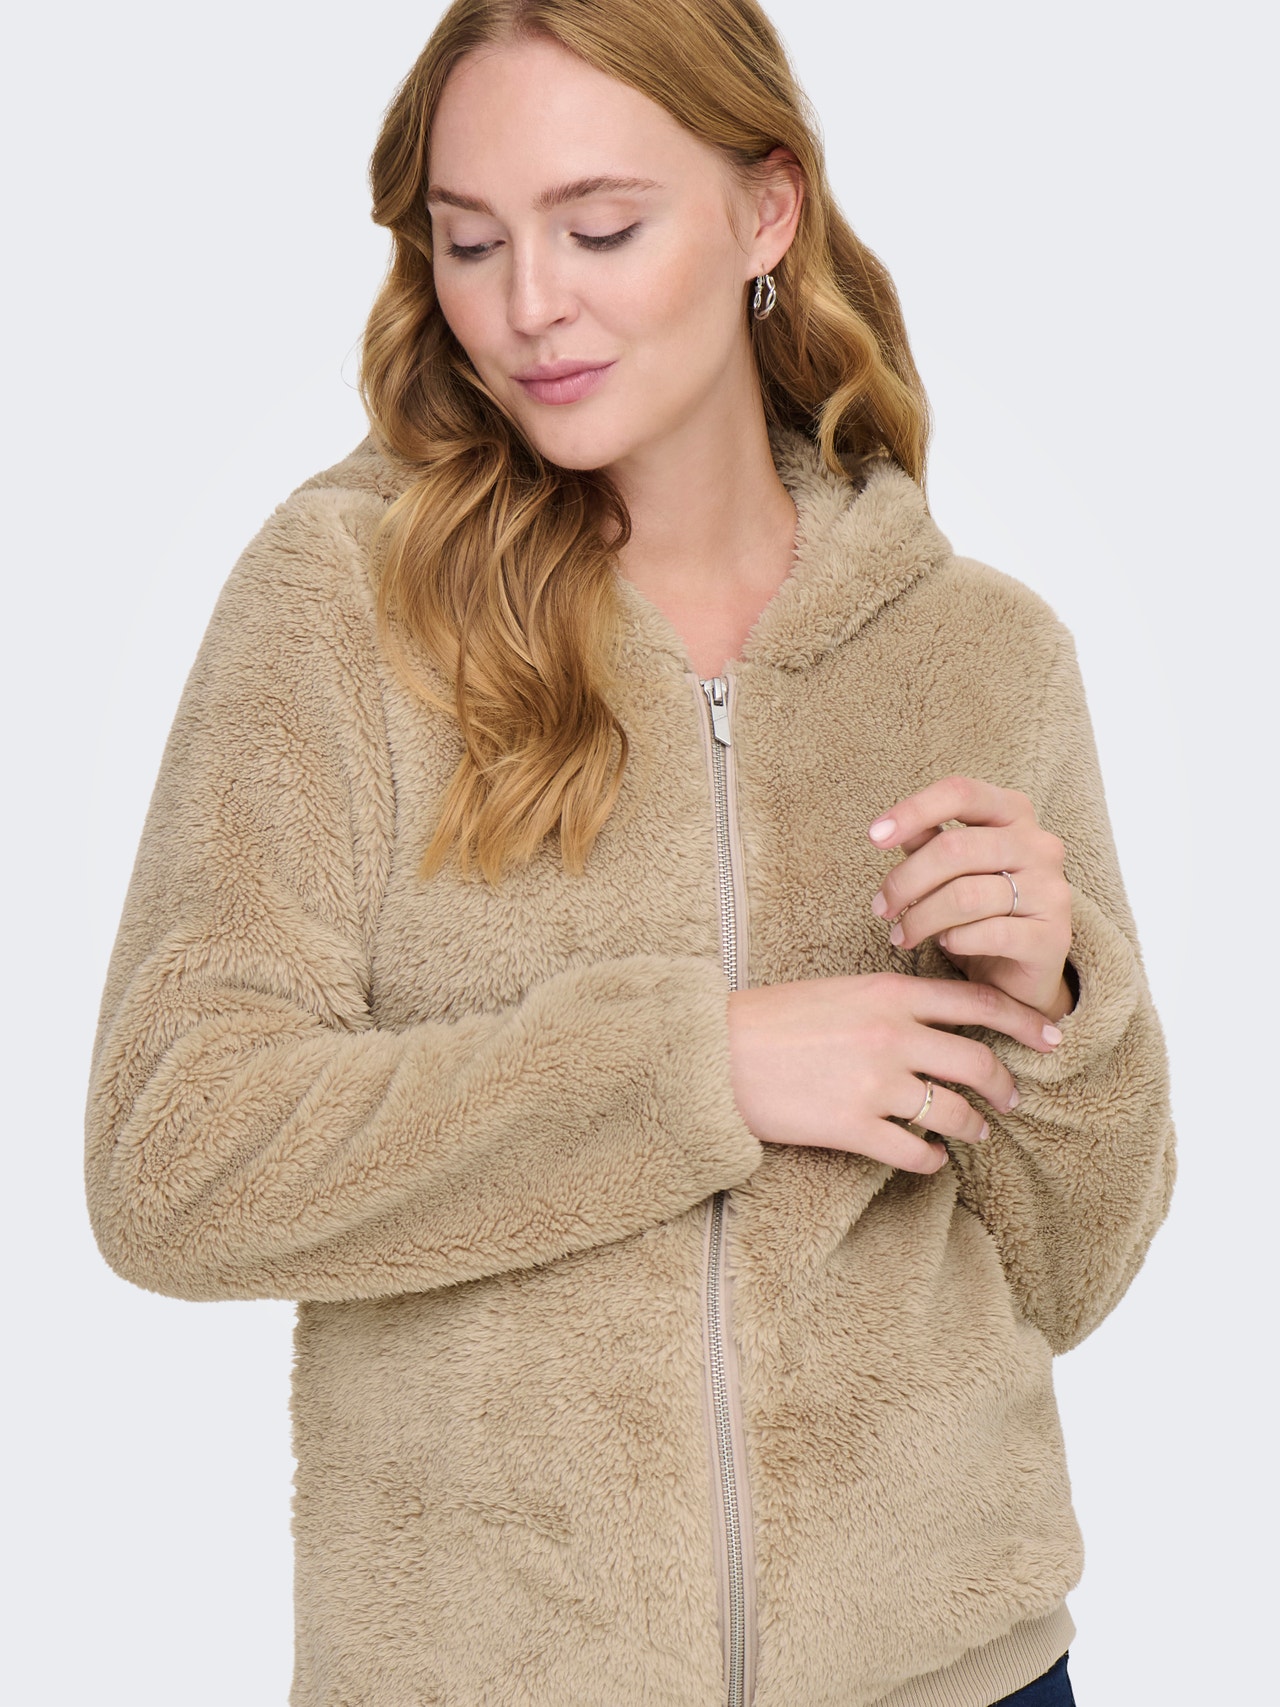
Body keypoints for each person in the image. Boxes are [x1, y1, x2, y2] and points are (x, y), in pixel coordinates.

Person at [83, 0, 1176, 1703]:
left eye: (599, 228)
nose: (530, 304)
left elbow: (1078, 1270)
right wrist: (692, 1071)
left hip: (961, 1677)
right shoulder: (347, 604)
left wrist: (1060, 1008)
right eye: (472, 242)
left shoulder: (980, 653)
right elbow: (173, 1155)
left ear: (766, 211)